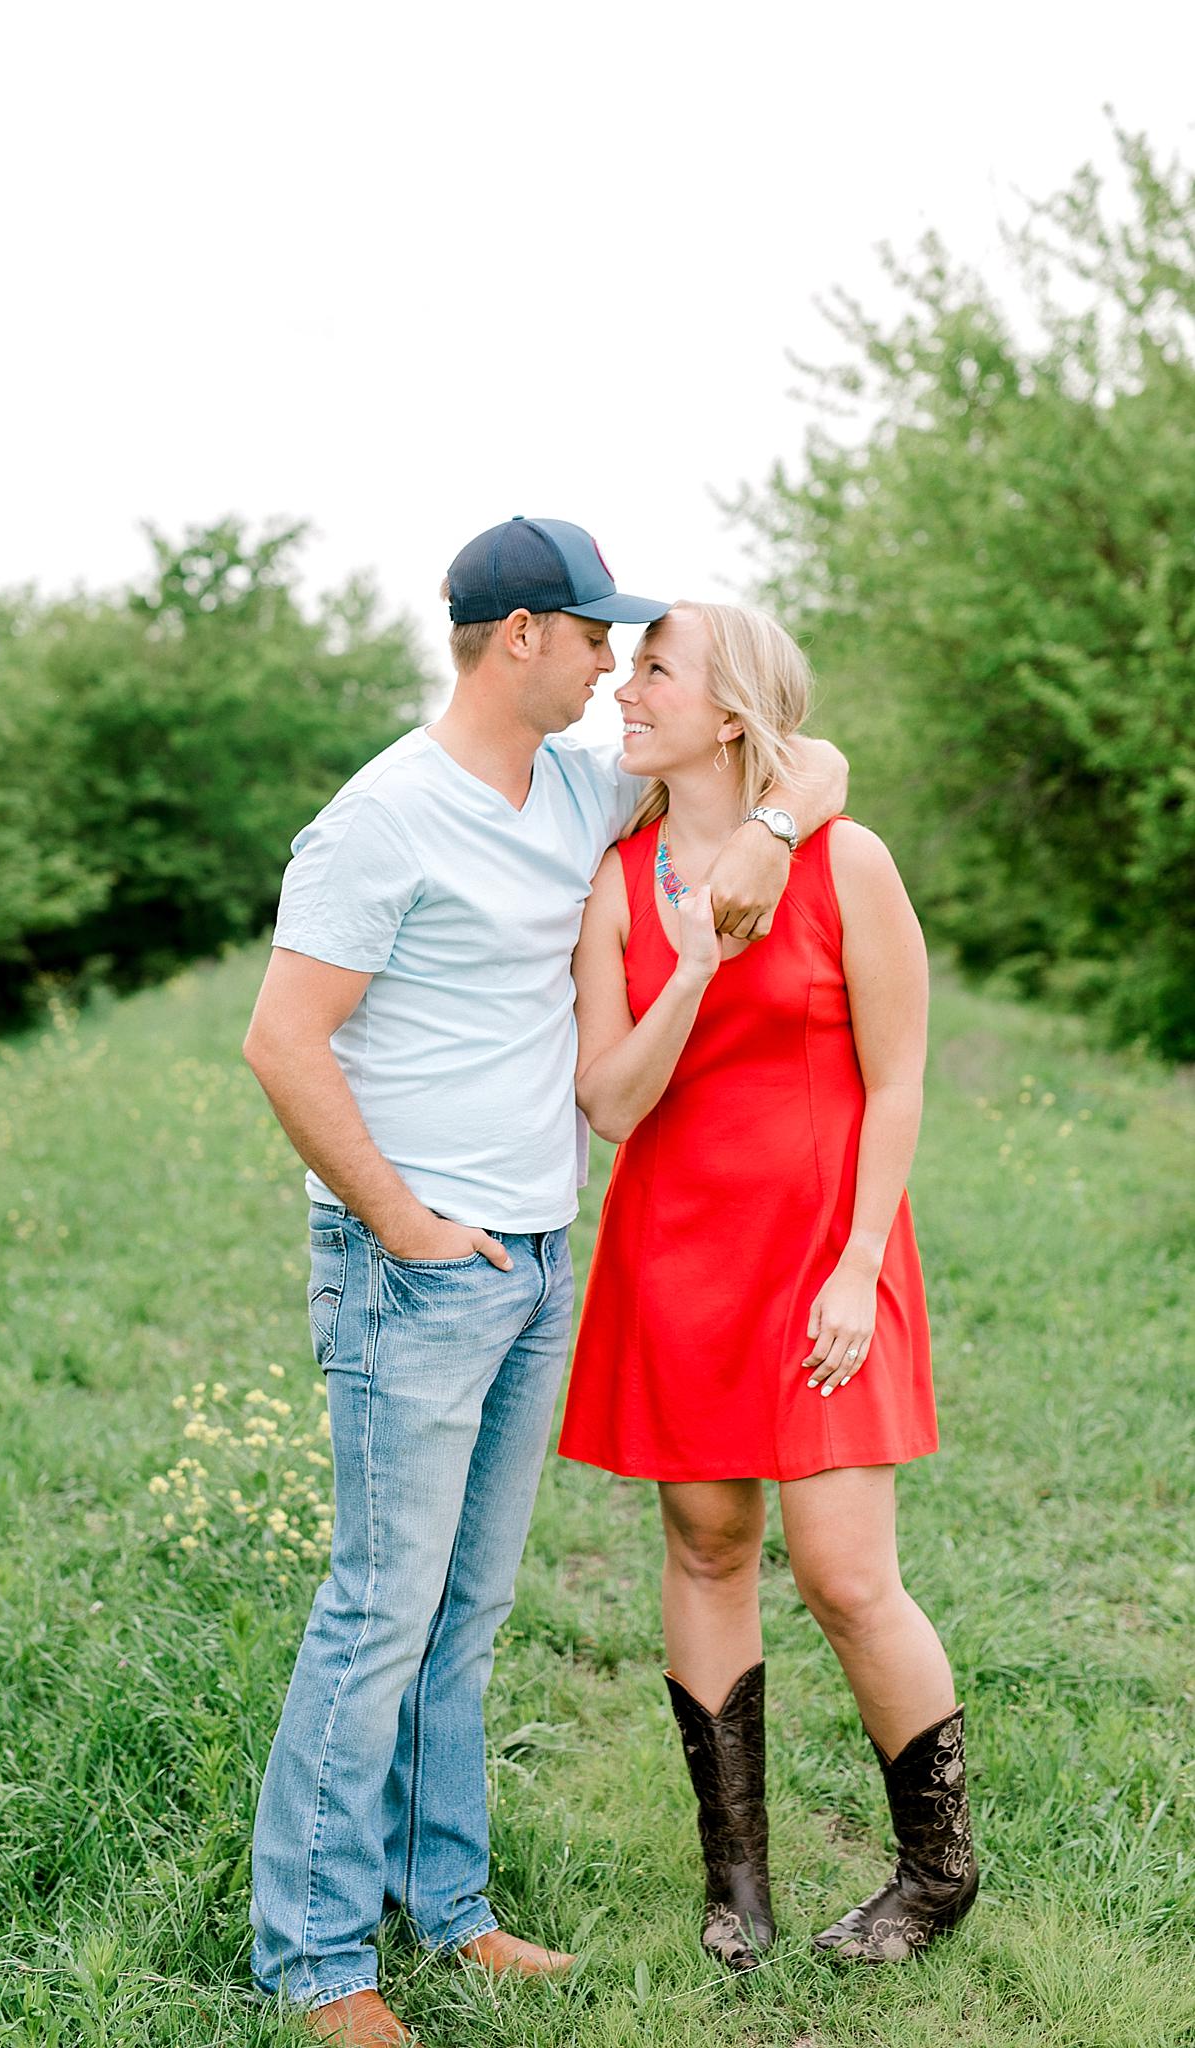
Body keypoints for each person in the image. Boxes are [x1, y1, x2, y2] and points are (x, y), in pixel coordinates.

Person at [242, 518, 848, 2045]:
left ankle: (448, 1914)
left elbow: (804, 759)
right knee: (380, 1608)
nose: (608, 668)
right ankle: (318, 1961)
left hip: (533, 1256)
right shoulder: (381, 819)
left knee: (468, 1609)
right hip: (418, 1263)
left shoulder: (578, 785)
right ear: (521, 638)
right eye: (593, 640)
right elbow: (280, 1042)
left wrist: (775, 833)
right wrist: (401, 1225)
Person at [560, 599, 978, 1973]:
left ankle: (936, 1871)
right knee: (706, 1545)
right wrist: (696, 958)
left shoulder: (840, 857)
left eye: (653, 672)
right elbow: (611, 1101)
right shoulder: (613, 885)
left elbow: (899, 1074)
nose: (624, 690)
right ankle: (734, 1881)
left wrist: (858, 1264)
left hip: (821, 1251)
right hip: (675, 1253)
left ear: (727, 712)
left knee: (846, 1575)